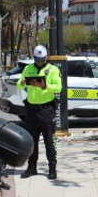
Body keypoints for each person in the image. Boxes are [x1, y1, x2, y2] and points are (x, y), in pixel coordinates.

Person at [17, 45, 62, 180]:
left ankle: (52, 169)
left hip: (46, 110)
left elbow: (58, 87)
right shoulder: (28, 68)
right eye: (37, 59)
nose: (40, 62)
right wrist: (22, 82)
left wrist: (45, 86)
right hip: (31, 111)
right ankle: (32, 168)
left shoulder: (53, 70)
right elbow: (19, 84)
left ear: (46, 57)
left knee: (49, 142)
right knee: (31, 142)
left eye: (42, 59)